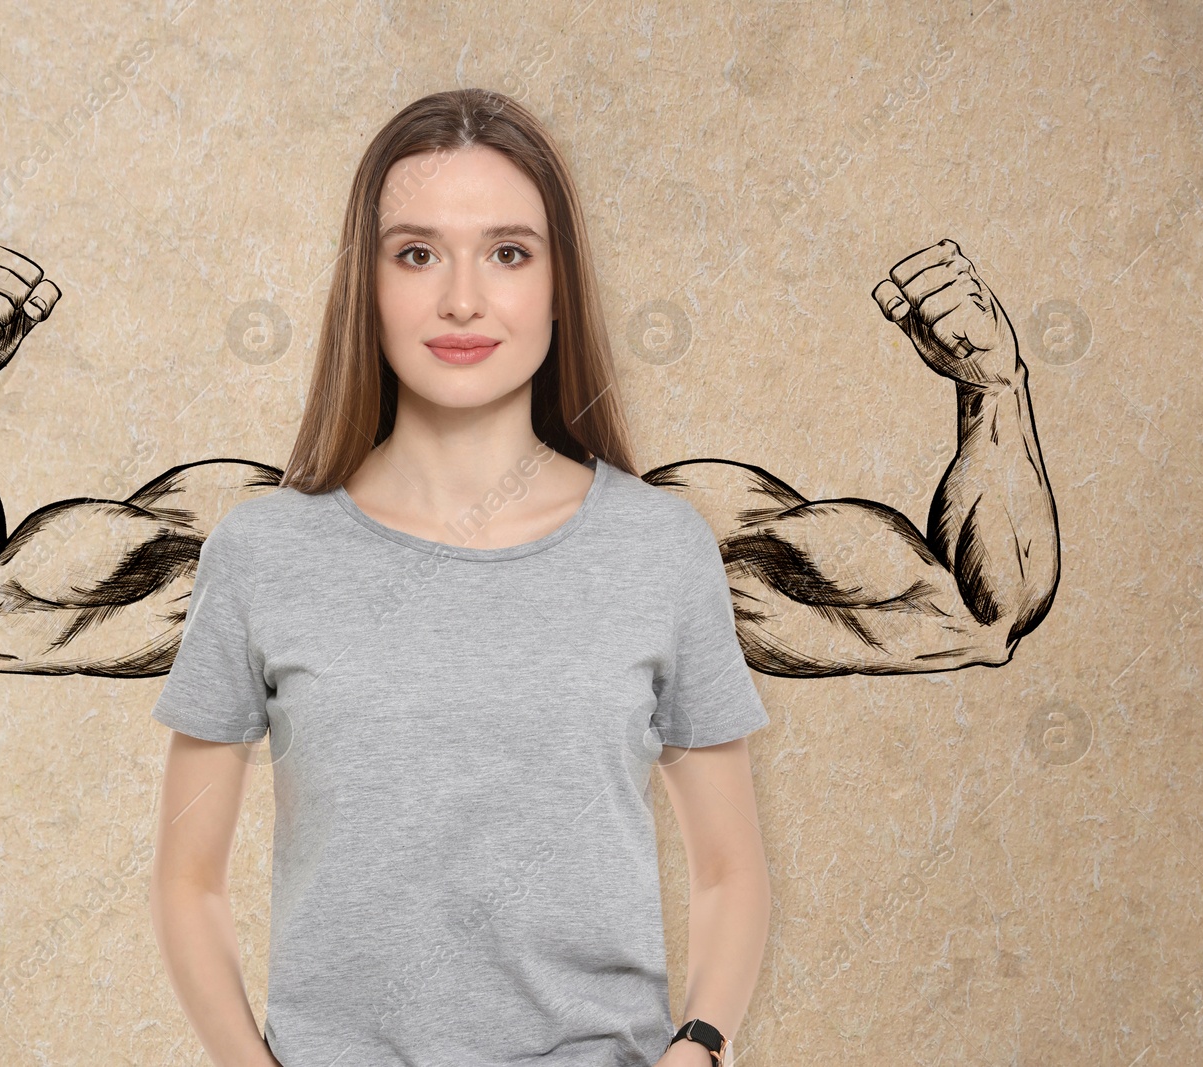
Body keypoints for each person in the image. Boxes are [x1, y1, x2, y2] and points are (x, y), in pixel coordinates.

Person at [147, 89, 766, 1067]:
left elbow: (730, 868)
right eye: (416, 252)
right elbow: (187, 879)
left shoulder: (659, 547)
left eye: (508, 252)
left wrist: (700, 1045)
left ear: (559, 286)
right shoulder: (263, 554)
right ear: (368, 283)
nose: (462, 299)